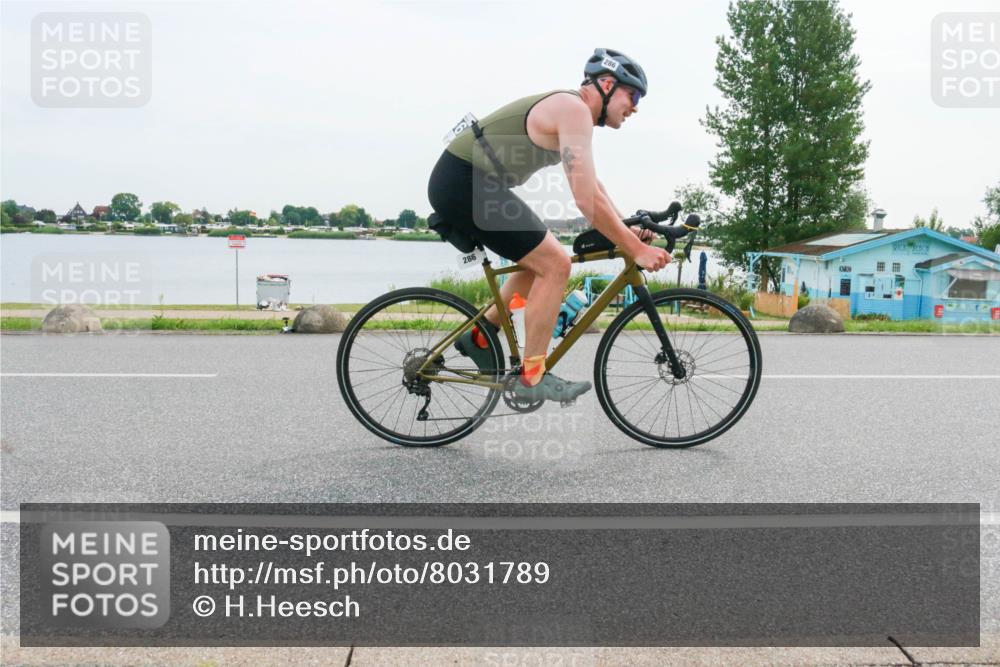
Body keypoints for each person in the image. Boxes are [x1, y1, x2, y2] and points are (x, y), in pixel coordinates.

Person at [427, 48, 671, 403]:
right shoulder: (574, 110)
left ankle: (481, 335)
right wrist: (636, 249)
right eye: (632, 95)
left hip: (472, 182)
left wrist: (626, 229)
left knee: (541, 259)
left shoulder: (574, 114)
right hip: (465, 180)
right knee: (555, 263)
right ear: (606, 84)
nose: (634, 106)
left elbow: (594, 187)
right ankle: (532, 377)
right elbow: (585, 200)